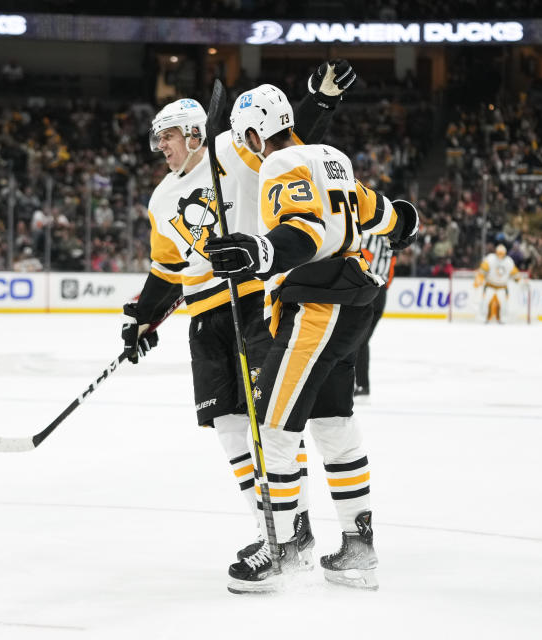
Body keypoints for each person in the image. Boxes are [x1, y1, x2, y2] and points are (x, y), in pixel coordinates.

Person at [119, 62, 358, 569]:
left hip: (253, 302)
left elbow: (286, 145)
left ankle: (293, 529)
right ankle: (264, 527)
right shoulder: (161, 199)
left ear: (192, 132)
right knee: (229, 425)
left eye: (167, 137)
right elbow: (167, 268)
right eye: (157, 139)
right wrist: (142, 317)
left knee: (269, 417)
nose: (160, 147)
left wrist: (319, 103)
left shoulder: (232, 150)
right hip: (205, 321)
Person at [205, 84, 418, 593]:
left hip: (316, 309)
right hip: (351, 304)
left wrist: (260, 251)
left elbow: (302, 229)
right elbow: (378, 212)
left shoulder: (279, 166)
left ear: (255, 134)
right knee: (333, 423)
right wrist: (404, 218)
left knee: (275, 429)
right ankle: (358, 548)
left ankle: (281, 549)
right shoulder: (333, 158)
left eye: (246, 139)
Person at [354, 230, 396, 397]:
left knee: (357, 341)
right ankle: (361, 384)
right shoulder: (389, 241)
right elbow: (391, 271)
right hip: (381, 292)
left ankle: (360, 385)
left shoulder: (370, 237)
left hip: (369, 291)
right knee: (361, 341)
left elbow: (364, 263)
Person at [474, 244, 521, 323]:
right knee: (485, 301)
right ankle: (483, 318)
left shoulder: (509, 261)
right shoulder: (490, 259)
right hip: (490, 285)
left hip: (502, 286)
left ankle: (503, 318)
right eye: (499, 253)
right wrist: (479, 278)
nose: (500, 255)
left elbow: (515, 274)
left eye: (501, 253)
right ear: (496, 252)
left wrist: (520, 281)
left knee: (504, 303)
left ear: (505, 253)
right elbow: (482, 270)